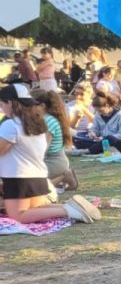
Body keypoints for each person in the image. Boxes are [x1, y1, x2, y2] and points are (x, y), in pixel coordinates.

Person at [0, 84, 99, 224]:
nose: (2, 109)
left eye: (2, 104)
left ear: (10, 102)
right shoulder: (37, 123)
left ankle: (68, 210)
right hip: (38, 175)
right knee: (37, 207)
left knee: (18, 215)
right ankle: (73, 208)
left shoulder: (11, 124)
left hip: (18, 177)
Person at [36, 89, 78, 191]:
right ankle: (65, 177)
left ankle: (64, 176)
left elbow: (43, 148)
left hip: (53, 162)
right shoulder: (48, 119)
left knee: (34, 187)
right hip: (54, 160)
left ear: (42, 106)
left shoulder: (47, 121)